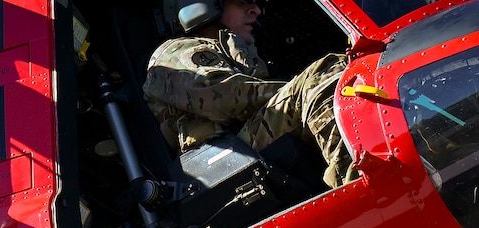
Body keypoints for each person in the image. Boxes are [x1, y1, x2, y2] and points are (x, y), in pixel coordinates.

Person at [143, 0, 356, 188]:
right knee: (324, 74)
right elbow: (225, 100)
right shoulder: (173, 52)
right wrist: (300, 88)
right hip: (225, 157)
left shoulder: (235, 50)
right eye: (244, 1)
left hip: (245, 146)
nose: (256, 10)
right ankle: (357, 182)